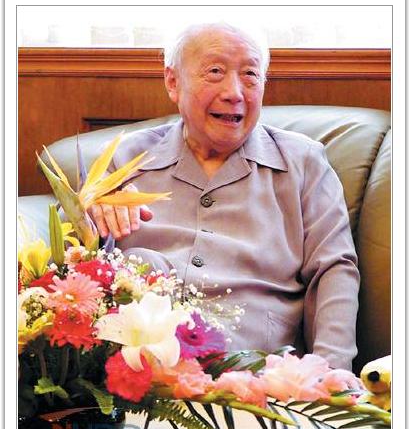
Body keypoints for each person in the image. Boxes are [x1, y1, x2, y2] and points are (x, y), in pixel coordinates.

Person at [90, 22, 360, 370]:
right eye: (215, 72)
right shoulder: (125, 159)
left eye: (250, 75)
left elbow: (334, 270)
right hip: (137, 375)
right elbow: (74, 257)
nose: (234, 92)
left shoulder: (303, 162)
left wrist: (331, 373)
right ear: (173, 82)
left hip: (257, 376)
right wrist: (91, 211)